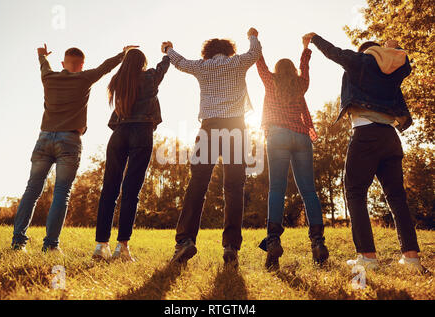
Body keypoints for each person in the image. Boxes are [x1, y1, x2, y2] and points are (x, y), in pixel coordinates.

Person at [305, 32, 424, 272]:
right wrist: (394, 48)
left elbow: (335, 53)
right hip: (390, 137)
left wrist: (315, 38)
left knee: (355, 193)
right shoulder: (391, 71)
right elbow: (403, 62)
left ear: (364, 51)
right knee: (397, 197)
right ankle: (412, 259)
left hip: (365, 134)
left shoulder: (362, 61)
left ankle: (367, 258)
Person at [12, 44, 127, 254]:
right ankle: (51, 245)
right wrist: (123, 53)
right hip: (69, 141)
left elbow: (43, 66)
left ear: (63, 64)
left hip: (44, 138)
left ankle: (18, 243)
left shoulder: (49, 78)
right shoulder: (84, 78)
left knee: (31, 191)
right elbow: (105, 67)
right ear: (82, 65)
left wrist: (41, 55)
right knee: (61, 193)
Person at [162, 27, 262, 267]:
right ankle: (230, 246)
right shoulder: (238, 63)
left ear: (207, 53)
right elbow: (255, 52)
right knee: (234, 187)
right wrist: (252, 35)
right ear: (229, 51)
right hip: (236, 128)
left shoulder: (201, 67)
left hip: (209, 127)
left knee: (197, 184)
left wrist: (168, 49)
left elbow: (180, 62)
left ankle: (185, 240)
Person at [256, 35, 328, 270]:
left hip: (277, 135)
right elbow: (305, 68)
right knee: (309, 191)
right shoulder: (301, 85)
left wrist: (255, 39)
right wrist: (306, 48)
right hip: (301, 136)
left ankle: (274, 240)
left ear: (278, 71)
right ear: (293, 72)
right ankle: (317, 242)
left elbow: (260, 63)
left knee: (277, 188)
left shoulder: (270, 81)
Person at [91, 46, 170, 262]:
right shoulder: (150, 77)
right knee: (130, 191)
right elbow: (164, 66)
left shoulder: (118, 79)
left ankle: (100, 246)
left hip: (119, 133)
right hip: (141, 133)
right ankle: (122, 247)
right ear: (143, 64)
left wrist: (122, 54)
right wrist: (167, 51)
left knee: (109, 189)